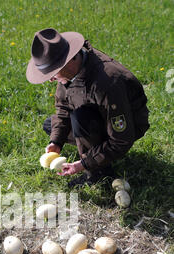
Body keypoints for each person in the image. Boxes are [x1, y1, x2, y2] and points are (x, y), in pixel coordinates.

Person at [26, 28, 150, 186]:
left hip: (126, 127)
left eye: (53, 73)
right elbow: (63, 108)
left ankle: (99, 173)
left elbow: (121, 139)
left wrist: (83, 164)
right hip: (97, 116)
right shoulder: (69, 73)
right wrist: (56, 141)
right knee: (51, 125)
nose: (51, 80)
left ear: (69, 60)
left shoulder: (107, 83)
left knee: (80, 118)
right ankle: (92, 150)